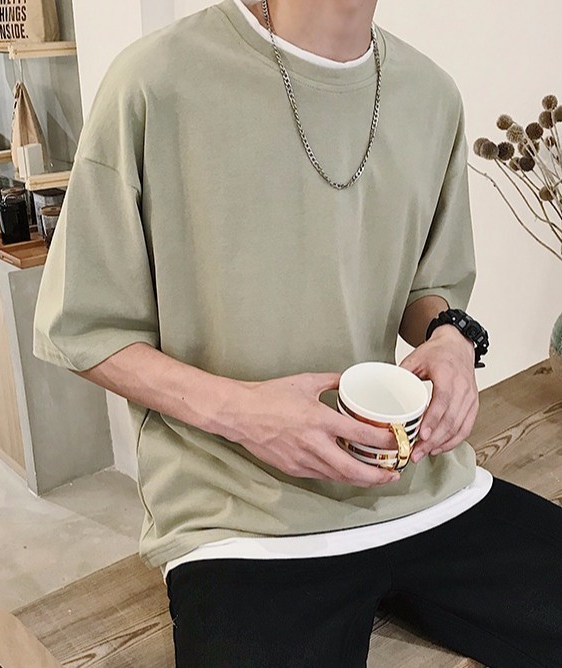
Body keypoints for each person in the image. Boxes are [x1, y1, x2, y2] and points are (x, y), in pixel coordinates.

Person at [32, 1, 562, 665]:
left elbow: (430, 287)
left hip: (419, 486)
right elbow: (84, 328)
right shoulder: (154, 81)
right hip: (240, 517)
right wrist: (246, 415)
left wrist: (451, 341)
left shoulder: (430, 95)